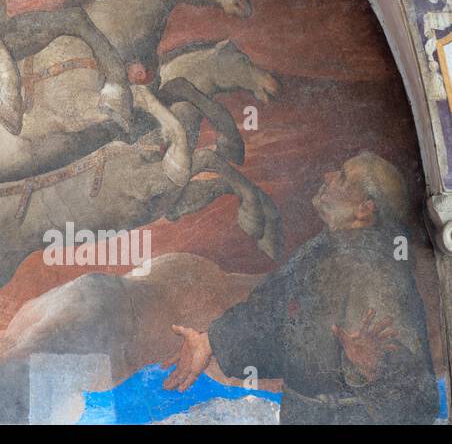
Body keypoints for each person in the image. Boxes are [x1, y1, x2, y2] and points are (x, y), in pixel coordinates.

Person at [164, 152, 441, 424]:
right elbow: (272, 316)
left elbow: (421, 402)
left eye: (342, 177)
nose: (328, 176)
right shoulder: (323, 249)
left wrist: (374, 368)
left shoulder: (381, 275)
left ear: (364, 208)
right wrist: (210, 341)